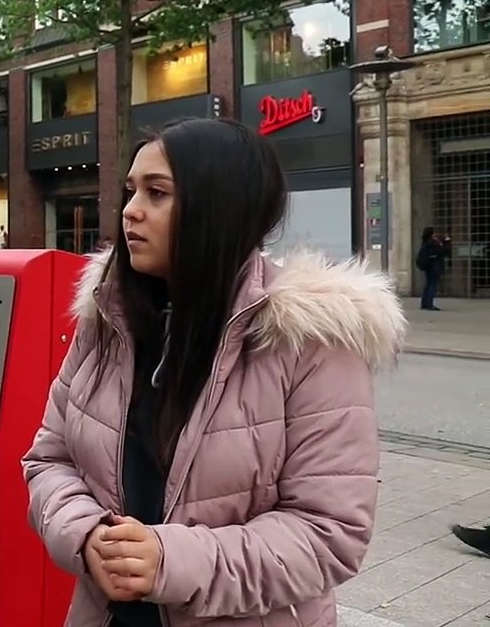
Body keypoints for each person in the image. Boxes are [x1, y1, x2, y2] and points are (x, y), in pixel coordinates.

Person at [23, 118, 406, 627]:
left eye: (157, 193)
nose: (130, 210)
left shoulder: (309, 340)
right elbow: (48, 460)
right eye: (131, 191)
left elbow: (329, 532)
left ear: (218, 208)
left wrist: (170, 562)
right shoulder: (109, 319)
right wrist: (86, 533)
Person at [414, 226, 451, 311]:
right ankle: (429, 304)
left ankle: (425, 303)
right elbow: (443, 251)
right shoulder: (432, 243)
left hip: (429, 267)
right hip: (434, 267)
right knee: (432, 285)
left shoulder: (426, 242)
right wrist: (447, 241)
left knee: (428, 284)